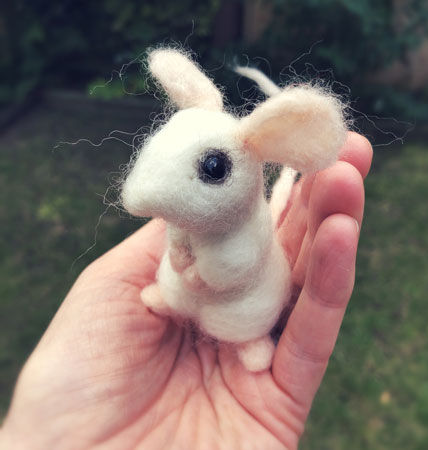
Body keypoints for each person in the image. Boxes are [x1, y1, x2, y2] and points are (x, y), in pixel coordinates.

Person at [0, 132, 372, 449]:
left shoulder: (245, 231)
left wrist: (202, 272)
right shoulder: (189, 220)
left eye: (213, 170)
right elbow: (177, 241)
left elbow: (233, 269)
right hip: (186, 286)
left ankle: (248, 339)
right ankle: (175, 300)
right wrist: (182, 258)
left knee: (239, 317)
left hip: (242, 299)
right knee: (174, 284)